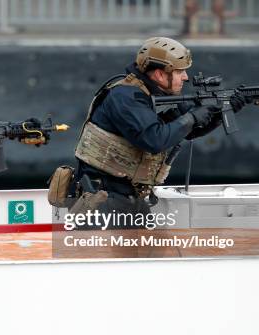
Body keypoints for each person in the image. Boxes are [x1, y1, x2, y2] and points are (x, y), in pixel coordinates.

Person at [71, 37, 247, 228]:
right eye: (180, 71)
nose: (186, 77)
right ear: (159, 74)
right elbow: (154, 139)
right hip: (104, 199)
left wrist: (224, 112)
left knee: (153, 253)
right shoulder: (126, 96)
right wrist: (192, 117)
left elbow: (186, 132)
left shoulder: (151, 94)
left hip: (128, 197)